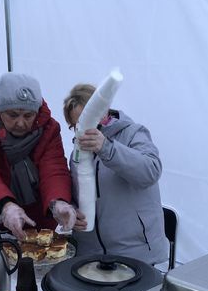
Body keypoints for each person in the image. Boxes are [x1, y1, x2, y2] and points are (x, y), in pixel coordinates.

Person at [63, 83, 168, 266]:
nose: (82, 131)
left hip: (135, 253)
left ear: (103, 113)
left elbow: (151, 171)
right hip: (91, 254)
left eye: (87, 123)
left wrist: (107, 148)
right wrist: (72, 211)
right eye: (76, 126)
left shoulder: (133, 133)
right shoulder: (77, 153)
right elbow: (76, 194)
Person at [0, 72, 77, 239]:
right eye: (13, 115)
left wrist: (58, 202)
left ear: (37, 112)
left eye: (28, 115)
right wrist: (6, 205)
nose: (21, 123)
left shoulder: (49, 128)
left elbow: (53, 169)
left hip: (39, 221)